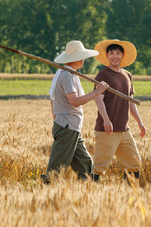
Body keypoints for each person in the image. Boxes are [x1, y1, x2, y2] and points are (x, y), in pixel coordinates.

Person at [41, 40, 109, 184]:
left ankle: (89, 188)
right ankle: (45, 190)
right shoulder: (66, 75)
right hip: (67, 127)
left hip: (71, 127)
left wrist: (57, 119)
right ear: (77, 59)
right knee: (56, 169)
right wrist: (97, 92)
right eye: (82, 57)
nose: (84, 60)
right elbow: (75, 101)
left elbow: (53, 100)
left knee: (86, 163)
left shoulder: (69, 74)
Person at [91, 40, 146, 182]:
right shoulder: (103, 75)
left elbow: (131, 102)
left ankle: (129, 196)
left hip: (124, 129)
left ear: (122, 55)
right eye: (111, 53)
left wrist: (139, 122)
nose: (115, 56)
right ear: (107, 56)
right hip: (107, 129)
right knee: (100, 166)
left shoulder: (127, 75)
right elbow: (98, 99)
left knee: (134, 163)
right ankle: (90, 193)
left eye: (118, 53)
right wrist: (106, 120)